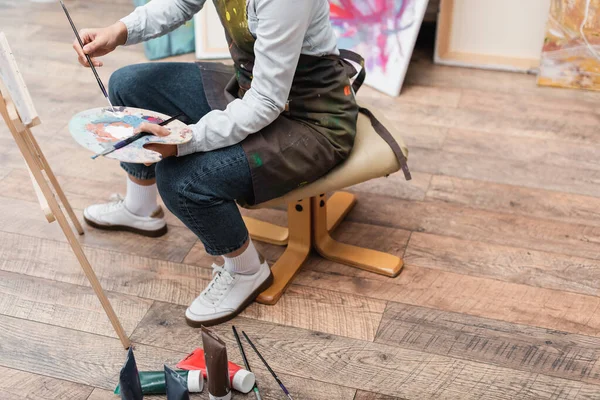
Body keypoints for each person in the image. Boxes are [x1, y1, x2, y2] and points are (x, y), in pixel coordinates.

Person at [72, 0, 407, 328]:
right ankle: (140, 208)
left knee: (180, 179)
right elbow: (182, 3)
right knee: (127, 85)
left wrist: (185, 140)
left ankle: (246, 270)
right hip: (252, 89)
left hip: (312, 119)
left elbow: (266, 102)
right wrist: (119, 31)